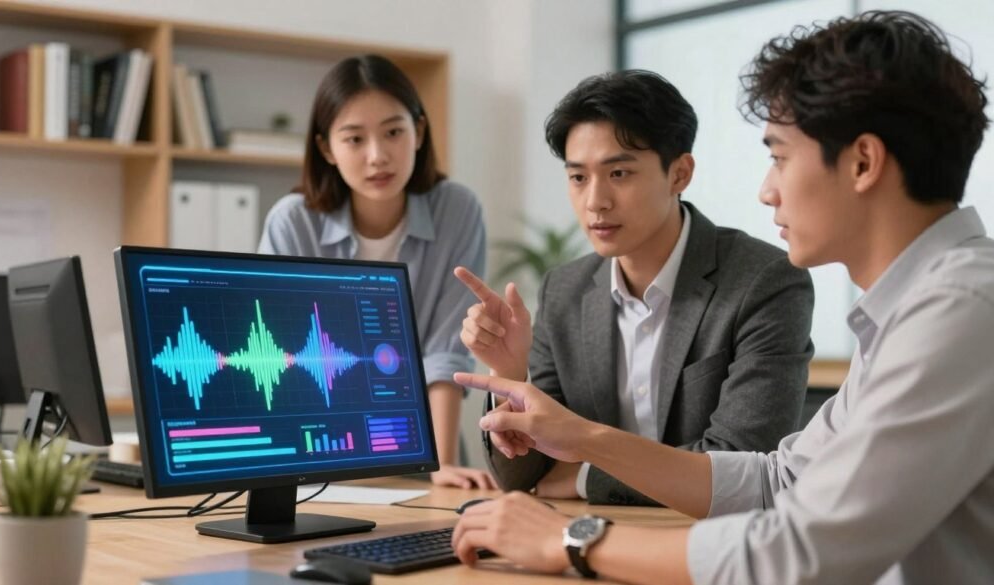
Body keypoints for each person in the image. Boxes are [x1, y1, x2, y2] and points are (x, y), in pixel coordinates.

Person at [450, 10, 993, 584]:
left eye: (780, 156)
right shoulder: (914, 307)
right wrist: (578, 436)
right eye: (578, 176)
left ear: (863, 162)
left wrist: (569, 539)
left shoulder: (960, 310)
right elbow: (777, 481)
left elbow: (801, 553)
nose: (765, 190)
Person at [455, 68, 814, 505]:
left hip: (712, 548)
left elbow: (739, 464)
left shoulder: (764, 281)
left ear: (679, 174)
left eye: (619, 174)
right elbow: (526, 475)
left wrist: (583, 479)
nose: (595, 201)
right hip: (584, 541)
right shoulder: (563, 290)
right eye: (578, 177)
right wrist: (510, 374)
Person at [258, 54, 495, 489]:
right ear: (326, 148)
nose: (377, 156)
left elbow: (446, 350)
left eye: (393, 132)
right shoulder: (292, 221)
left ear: (419, 132)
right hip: (318, 451)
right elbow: (280, 360)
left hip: (425, 449)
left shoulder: (457, 209)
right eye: (354, 139)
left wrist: (438, 466)